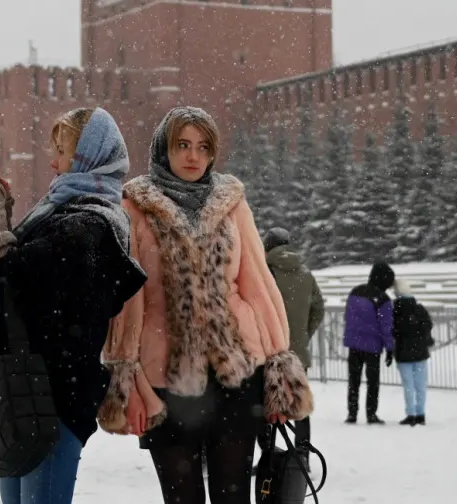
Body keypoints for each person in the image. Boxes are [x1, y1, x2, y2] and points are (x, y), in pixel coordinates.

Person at [99, 107, 313, 504]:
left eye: (203, 146)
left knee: (233, 498)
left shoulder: (232, 203)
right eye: (183, 145)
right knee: (182, 499)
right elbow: (128, 302)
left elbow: (258, 288)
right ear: (164, 148)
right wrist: (127, 377)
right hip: (165, 381)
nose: (193, 156)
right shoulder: (134, 208)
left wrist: (280, 373)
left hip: (235, 378)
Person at [0, 106, 147, 504]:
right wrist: (1, 216)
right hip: (26, 393)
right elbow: (6, 270)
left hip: (52, 401)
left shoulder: (91, 226)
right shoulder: (62, 215)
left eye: (63, 151)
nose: (53, 162)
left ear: (90, 156)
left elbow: (9, 276)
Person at [261, 228, 325, 447]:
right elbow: (318, 308)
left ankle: (269, 455)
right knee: (299, 404)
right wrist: (303, 334)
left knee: (265, 405)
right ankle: (303, 454)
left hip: (269, 350)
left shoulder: (265, 270)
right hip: (297, 351)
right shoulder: (305, 272)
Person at [343, 263, 395, 425]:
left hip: (354, 344)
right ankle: (371, 414)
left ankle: (352, 413)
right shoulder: (382, 299)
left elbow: (348, 317)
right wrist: (390, 348)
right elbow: (386, 326)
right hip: (372, 346)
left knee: (354, 380)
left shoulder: (355, 291)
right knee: (372, 382)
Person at [393, 293, 434, 426]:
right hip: (420, 352)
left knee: (408, 385)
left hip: (403, 353)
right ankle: (421, 414)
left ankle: (410, 414)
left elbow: (393, 331)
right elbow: (428, 325)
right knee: (420, 385)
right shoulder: (419, 309)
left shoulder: (396, 310)